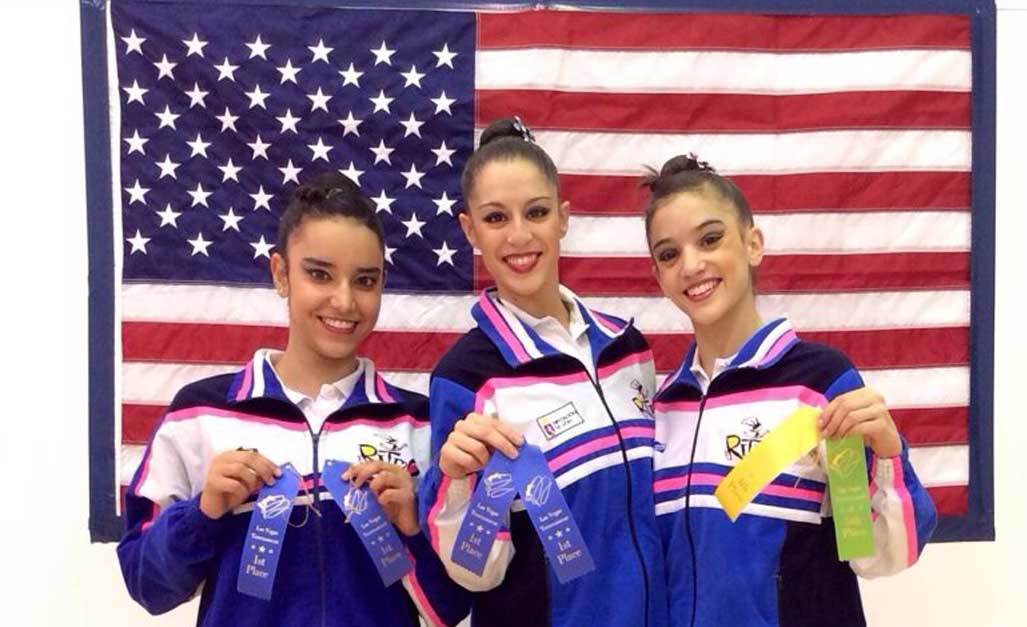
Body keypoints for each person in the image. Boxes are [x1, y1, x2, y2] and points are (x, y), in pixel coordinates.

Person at [117, 172, 469, 627]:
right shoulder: (199, 413)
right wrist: (203, 512)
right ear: (281, 273)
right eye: (319, 274)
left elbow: (450, 608)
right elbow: (146, 585)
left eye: (365, 280)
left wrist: (411, 528)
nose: (344, 301)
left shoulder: (416, 424)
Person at [642, 155, 938, 627]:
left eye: (710, 239)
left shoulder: (819, 386)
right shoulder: (662, 412)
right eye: (669, 253)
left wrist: (886, 455)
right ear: (657, 277)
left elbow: (880, 555)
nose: (692, 265)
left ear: (752, 243)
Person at [418, 118, 668, 627]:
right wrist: (458, 481)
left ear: (563, 217)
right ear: (469, 230)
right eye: (495, 218)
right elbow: (472, 571)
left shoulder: (629, 349)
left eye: (536, 212)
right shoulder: (465, 378)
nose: (519, 235)